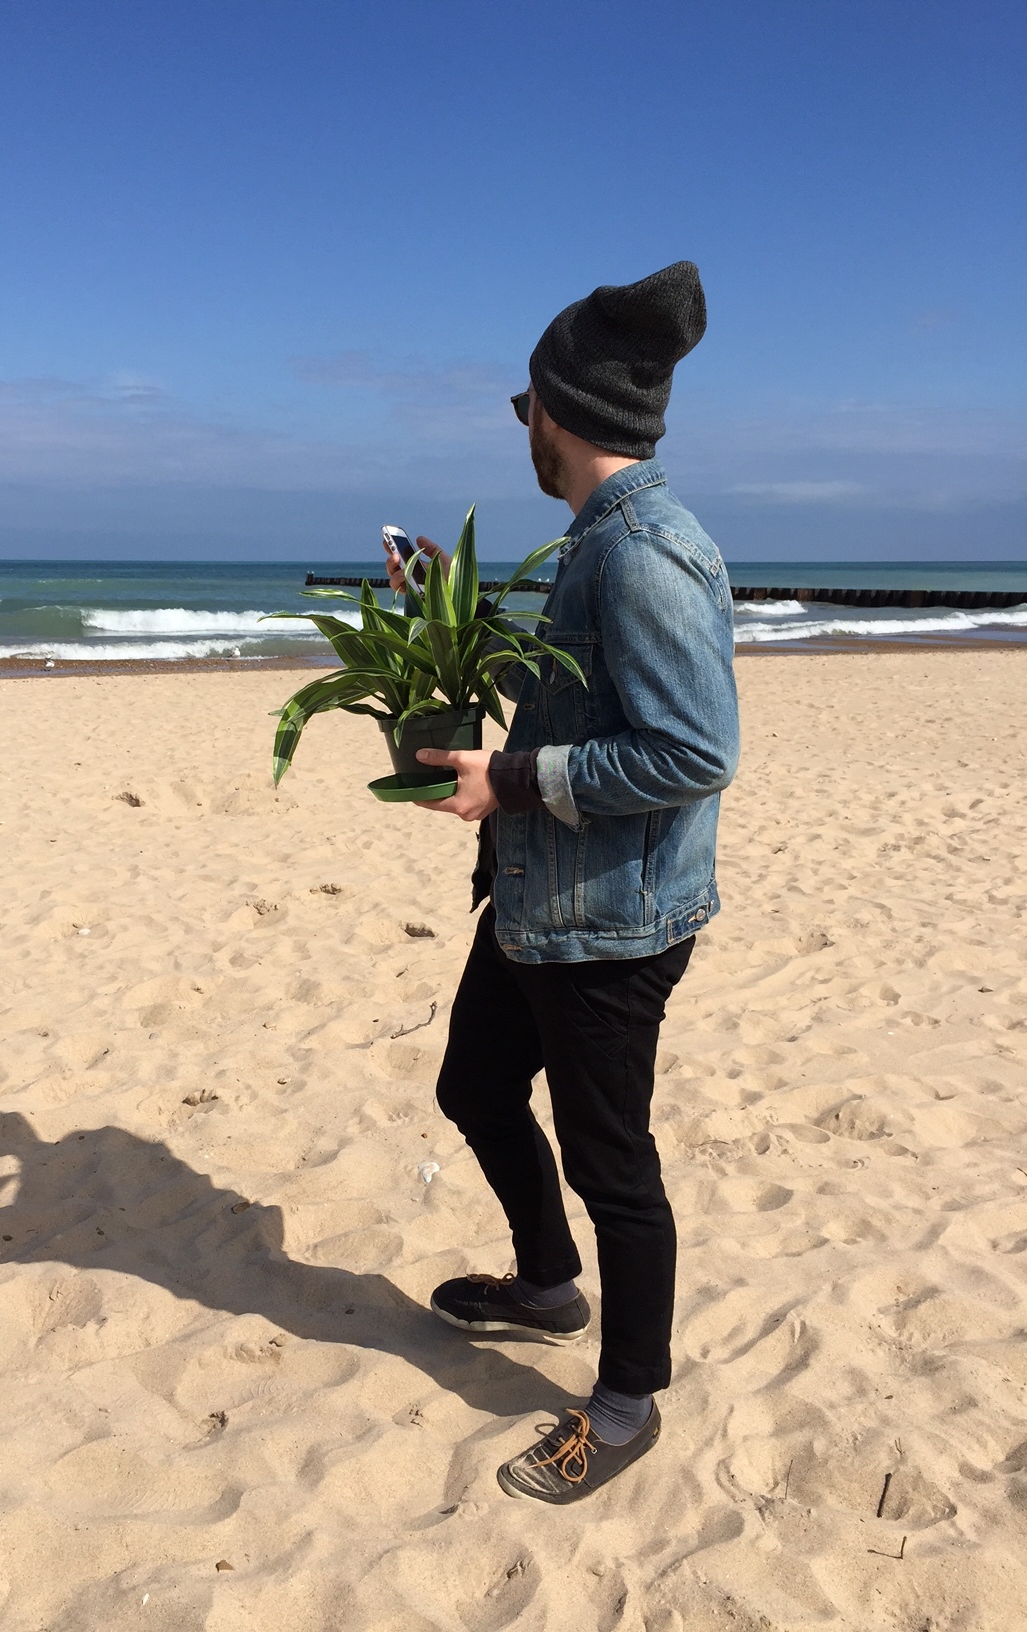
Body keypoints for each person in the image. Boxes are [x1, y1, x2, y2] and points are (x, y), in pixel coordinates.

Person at [383, 262, 740, 1504]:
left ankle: (629, 1401)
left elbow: (697, 751)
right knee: (474, 1083)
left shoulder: (644, 550)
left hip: (610, 926)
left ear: (557, 408)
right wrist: (443, 610)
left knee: (614, 1167)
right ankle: (545, 1285)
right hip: (540, 903)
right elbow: (578, 679)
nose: (517, 424)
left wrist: (515, 781)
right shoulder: (596, 543)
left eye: (523, 403)